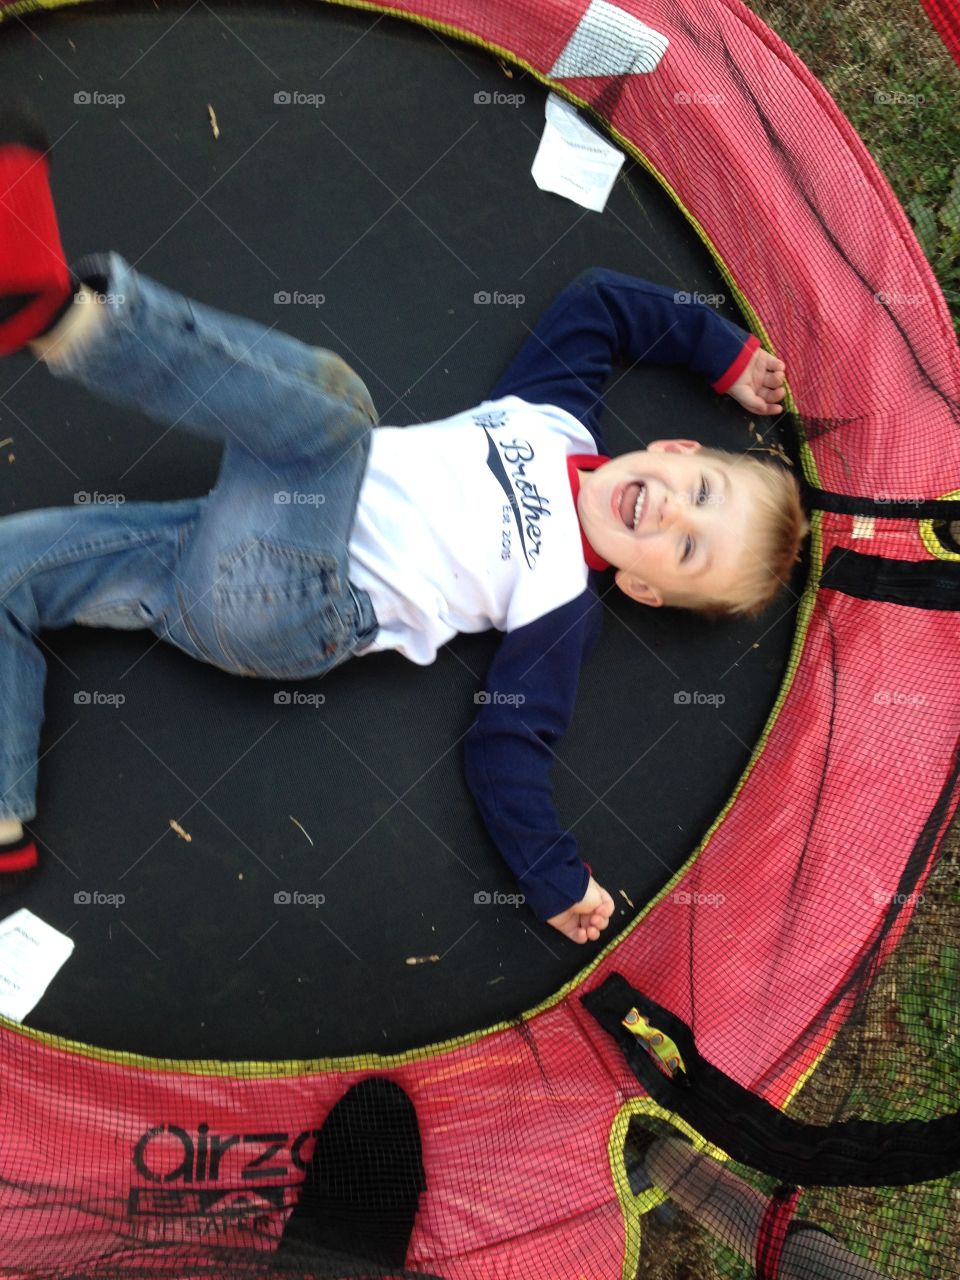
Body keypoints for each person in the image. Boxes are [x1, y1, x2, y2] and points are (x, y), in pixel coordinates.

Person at [0, 104, 807, 943]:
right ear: (676, 448)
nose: (674, 511)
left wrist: (552, 875)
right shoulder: (557, 415)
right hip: (222, 553)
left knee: (336, 412)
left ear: (642, 585)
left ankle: (75, 322)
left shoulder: (565, 601)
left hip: (303, 606)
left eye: (685, 550)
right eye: (701, 490)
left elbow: (508, 744)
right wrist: (724, 353)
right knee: (11, 572)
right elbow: (601, 303)